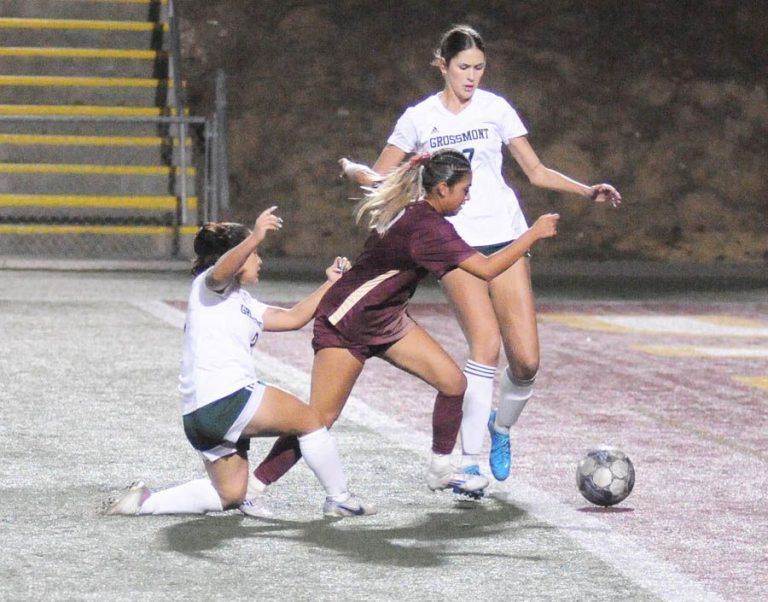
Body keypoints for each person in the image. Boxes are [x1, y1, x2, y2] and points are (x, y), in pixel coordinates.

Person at [339, 25, 622, 482]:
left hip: (506, 235)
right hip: (453, 244)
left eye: (479, 67)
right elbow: (380, 177)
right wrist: (355, 171)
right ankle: (469, 462)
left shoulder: (495, 109)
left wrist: (586, 189)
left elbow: (535, 170)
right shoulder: (418, 119)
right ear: (442, 65)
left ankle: (500, 426)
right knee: (485, 346)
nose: (472, 76)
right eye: (463, 67)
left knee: (527, 361)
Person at [242, 150, 559, 512]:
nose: (468, 197)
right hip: (348, 322)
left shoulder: (418, 208)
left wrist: (349, 168)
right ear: (441, 188)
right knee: (318, 419)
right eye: (464, 190)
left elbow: (369, 179)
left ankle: (441, 469)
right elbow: (486, 270)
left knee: (454, 383)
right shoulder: (428, 228)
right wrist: (532, 235)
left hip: (387, 320)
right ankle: (253, 486)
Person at [107, 207, 375, 518]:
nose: (259, 260)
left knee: (230, 494)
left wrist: (332, 283)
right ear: (235, 255)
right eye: (254, 253)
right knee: (311, 419)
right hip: (226, 399)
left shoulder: (242, 301)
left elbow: (292, 318)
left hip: (201, 416)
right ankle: (339, 497)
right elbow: (221, 271)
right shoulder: (208, 287)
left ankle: (143, 503)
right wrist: (256, 235)